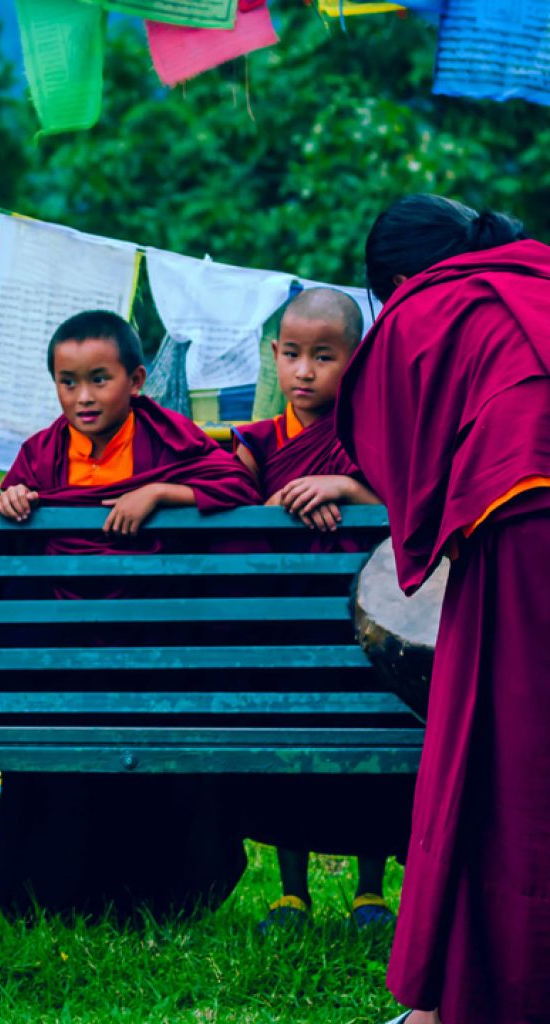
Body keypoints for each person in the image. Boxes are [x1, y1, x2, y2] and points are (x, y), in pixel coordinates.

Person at [336, 194, 550, 1024]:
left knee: (501, 756)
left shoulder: (428, 303)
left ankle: (470, 998)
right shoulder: (534, 278)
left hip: (526, 526)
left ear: (391, 282)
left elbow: (386, 437)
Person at [0, 310, 261, 917]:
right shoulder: (41, 451)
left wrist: (161, 493)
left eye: (99, 379)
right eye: (67, 381)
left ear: (136, 380)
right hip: (61, 652)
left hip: (152, 645)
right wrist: (10, 497)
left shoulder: (168, 438)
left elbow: (236, 487)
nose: (82, 397)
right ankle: (49, 896)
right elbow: (14, 522)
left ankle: (162, 897)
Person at [232, 287, 413, 933]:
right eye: (291, 354)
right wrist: (275, 504)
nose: (303, 371)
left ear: (356, 359)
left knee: (369, 744)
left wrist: (344, 486)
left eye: (324, 357)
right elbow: (228, 504)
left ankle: (370, 891)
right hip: (283, 619)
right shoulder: (253, 440)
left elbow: (408, 505)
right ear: (274, 356)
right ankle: (291, 893)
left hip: (365, 625)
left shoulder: (375, 436)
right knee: (291, 748)